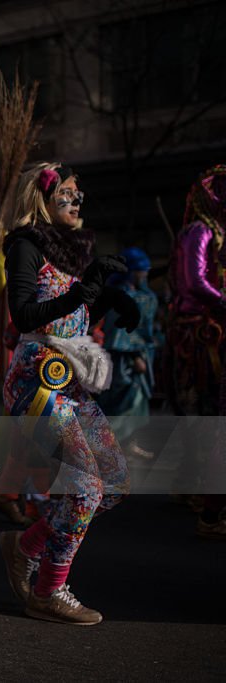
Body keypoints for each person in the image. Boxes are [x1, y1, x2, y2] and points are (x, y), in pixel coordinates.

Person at [0, 162, 133, 625]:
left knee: (112, 481)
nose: (77, 202)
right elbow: (23, 315)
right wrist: (83, 293)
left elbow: (75, 307)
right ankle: (49, 590)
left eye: (79, 194)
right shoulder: (26, 244)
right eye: (67, 194)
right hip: (37, 380)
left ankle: (26, 545)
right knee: (86, 487)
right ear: (43, 199)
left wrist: (110, 299)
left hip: (70, 378)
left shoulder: (72, 247)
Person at [168, 165, 226, 537]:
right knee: (200, 408)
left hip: (214, 329)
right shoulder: (199, 232)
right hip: (197, 335)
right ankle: (200, 492)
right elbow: (195, 281)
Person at [96, 247, 160, 457]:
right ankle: (107, 448)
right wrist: (134, 357)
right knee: (121, 405)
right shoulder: (120, 296)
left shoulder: (145, 295)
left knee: (137, 406)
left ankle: (128, 444)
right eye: (142, 270)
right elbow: (119, 332)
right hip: (123, 362)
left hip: (141, 357)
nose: (145, 275)